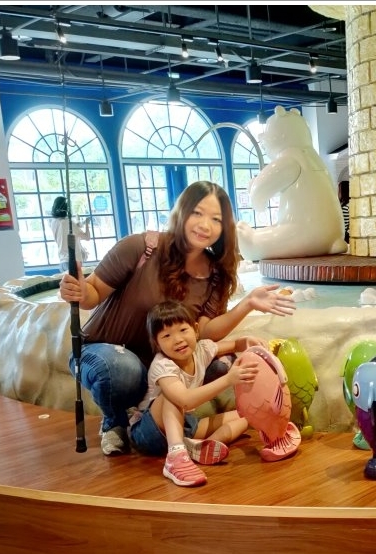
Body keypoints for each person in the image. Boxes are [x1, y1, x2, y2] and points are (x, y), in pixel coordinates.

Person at [59, 180, 296, 456]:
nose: (205, 225)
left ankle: (167, 421)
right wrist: (78, 290)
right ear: (182, 212)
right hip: (101, 353)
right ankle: (115, 422)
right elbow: (93, 293)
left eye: (216, 219)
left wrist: (248, 304)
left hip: (156, 366)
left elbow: (204, 331)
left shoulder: (214, 274)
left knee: (221, 364)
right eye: (198, 213)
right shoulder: (141, 248)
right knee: (125, 369)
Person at [130, 301, 258, 487]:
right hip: (149, 431)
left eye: (183, 330)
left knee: (246, 415)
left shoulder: (202, 349)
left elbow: (235, 344)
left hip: (183, 425)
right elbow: (185, 401)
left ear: (196, 330)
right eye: (167, 336)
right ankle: (176, 456)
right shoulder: (163, 365)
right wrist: (228, 379)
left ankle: (198, 448)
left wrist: (248, 342)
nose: (178, 339)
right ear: (157, 344)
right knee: (172, 396)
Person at [51, 195, 91, 272]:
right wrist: (86, 224)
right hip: (73, 261)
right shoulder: (68, 223)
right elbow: (87, 237)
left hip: (62, 261)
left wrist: (77, 224)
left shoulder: (54, 222)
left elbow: (66, 232)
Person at [338, 179, 350, 244]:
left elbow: (343, 227)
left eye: (339, 190)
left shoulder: (345, 207)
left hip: (346, 238)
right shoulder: (350, 204)